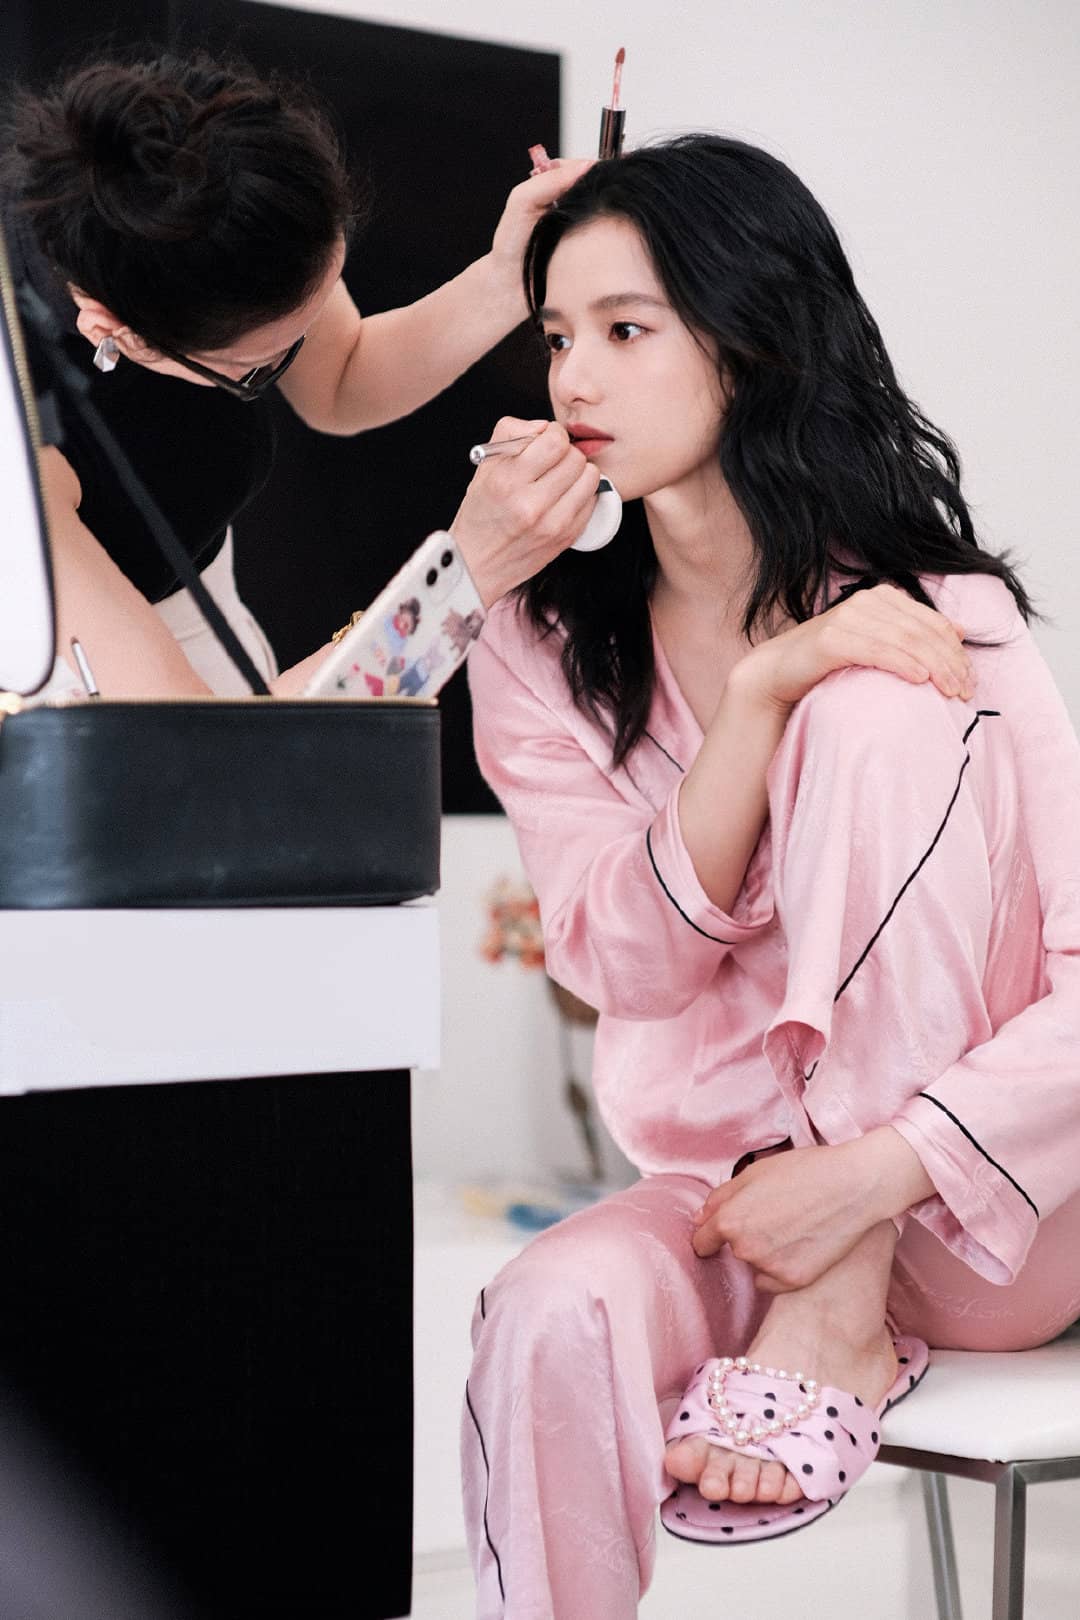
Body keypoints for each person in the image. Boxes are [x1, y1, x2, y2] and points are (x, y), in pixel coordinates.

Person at [462, 135, 1080, 1617]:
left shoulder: (942, 614)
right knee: (546, 1309)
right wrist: (755, 698)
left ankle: (844, 1296)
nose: (575, 380)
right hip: (729, 1208)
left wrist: (866, 1181)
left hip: (969, 1208)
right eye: (557, 337)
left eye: (626, 331)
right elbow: (628, 965)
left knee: (872, 706)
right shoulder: (537, 646)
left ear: (750, 342)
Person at [2, 50, 601, 697]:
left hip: (211, 621)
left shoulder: (199, 173)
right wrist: (466, 574)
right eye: (261, 365)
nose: (306, 350)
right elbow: (200, 742)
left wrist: (509, 276)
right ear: (115, 332)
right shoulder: (21, 465)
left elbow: (342, 378)